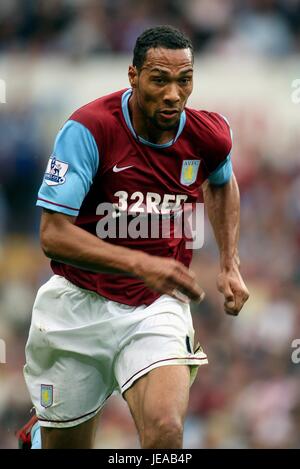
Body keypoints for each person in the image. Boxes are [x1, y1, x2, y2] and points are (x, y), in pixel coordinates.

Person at [19, 25, 249, 449]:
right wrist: (141, 263)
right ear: (133, 75)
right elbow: (53, 236)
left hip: (154, 307)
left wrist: (229, 263)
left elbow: (221, 181)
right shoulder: (88, 129)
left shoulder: (208, 135)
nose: (174, 95)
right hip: (76, 303)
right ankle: (41, 433)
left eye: (185, 80)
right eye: (159, 80)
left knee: (166, 432)